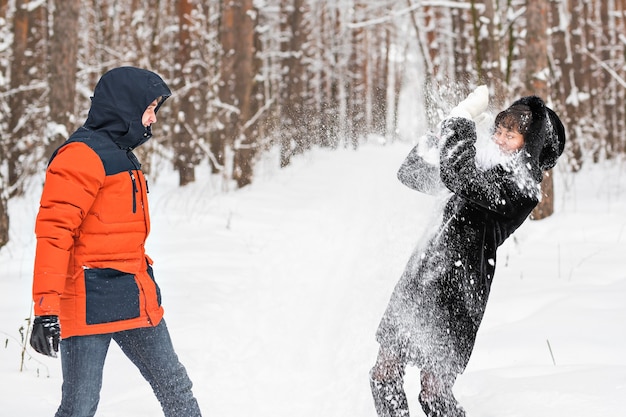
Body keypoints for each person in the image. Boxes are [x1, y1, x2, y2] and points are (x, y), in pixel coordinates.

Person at [369, 86, 566, 417]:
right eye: (500, 129)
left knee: (434, 391)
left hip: (458, 290)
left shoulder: (521, 188)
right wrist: (442, 134)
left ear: (531, 148)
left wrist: (459, 123)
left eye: (512, 136)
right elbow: (413, 174)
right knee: (384, 373)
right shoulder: (481, 162)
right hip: (421, 275)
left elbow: (459, 174)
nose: (501, 138)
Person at [29, 66, 203, 417]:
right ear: (125, 106)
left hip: (132, 295)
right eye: (149, 107)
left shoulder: (122, 153)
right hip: (87, 298)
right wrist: (46, 310)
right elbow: (54, 233)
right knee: (80, 406)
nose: (153, 117)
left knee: (175, 387)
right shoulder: (80, 156)